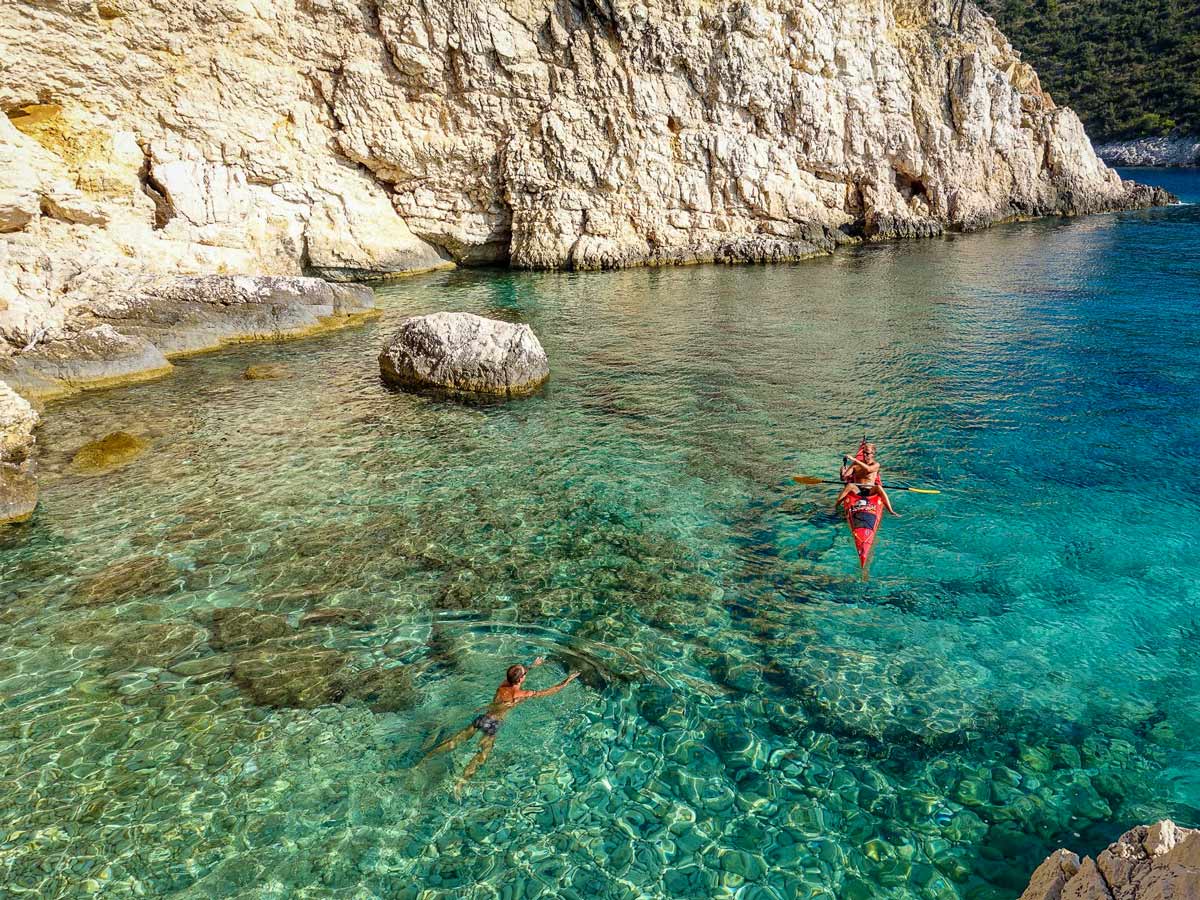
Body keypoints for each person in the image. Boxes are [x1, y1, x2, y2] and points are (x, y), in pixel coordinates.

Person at [422, 656, 579, 792]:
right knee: (481, 756)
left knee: (456, 741)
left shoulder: (503, 685)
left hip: (483, 718)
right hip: (493, 725)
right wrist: (567, 681)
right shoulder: (521, 694)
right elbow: (549, 691)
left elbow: (515, 678)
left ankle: (425, 760)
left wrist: (531, 666)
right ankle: (460, 784)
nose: (525, 674)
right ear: (521, 679)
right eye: (524, 673)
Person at [834, 442, 899, 516]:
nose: (864, 455)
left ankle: (891, 511)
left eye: (867, 453)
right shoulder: (855, 465)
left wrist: (854, 459)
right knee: (850, 485)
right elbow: (843, 479)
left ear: (872, 454)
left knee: (878, 487)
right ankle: (835, 507)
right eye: (863, 452)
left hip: (870, 491)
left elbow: (868, 469)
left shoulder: (876, 465)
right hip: (857, 490)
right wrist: (842, 473)